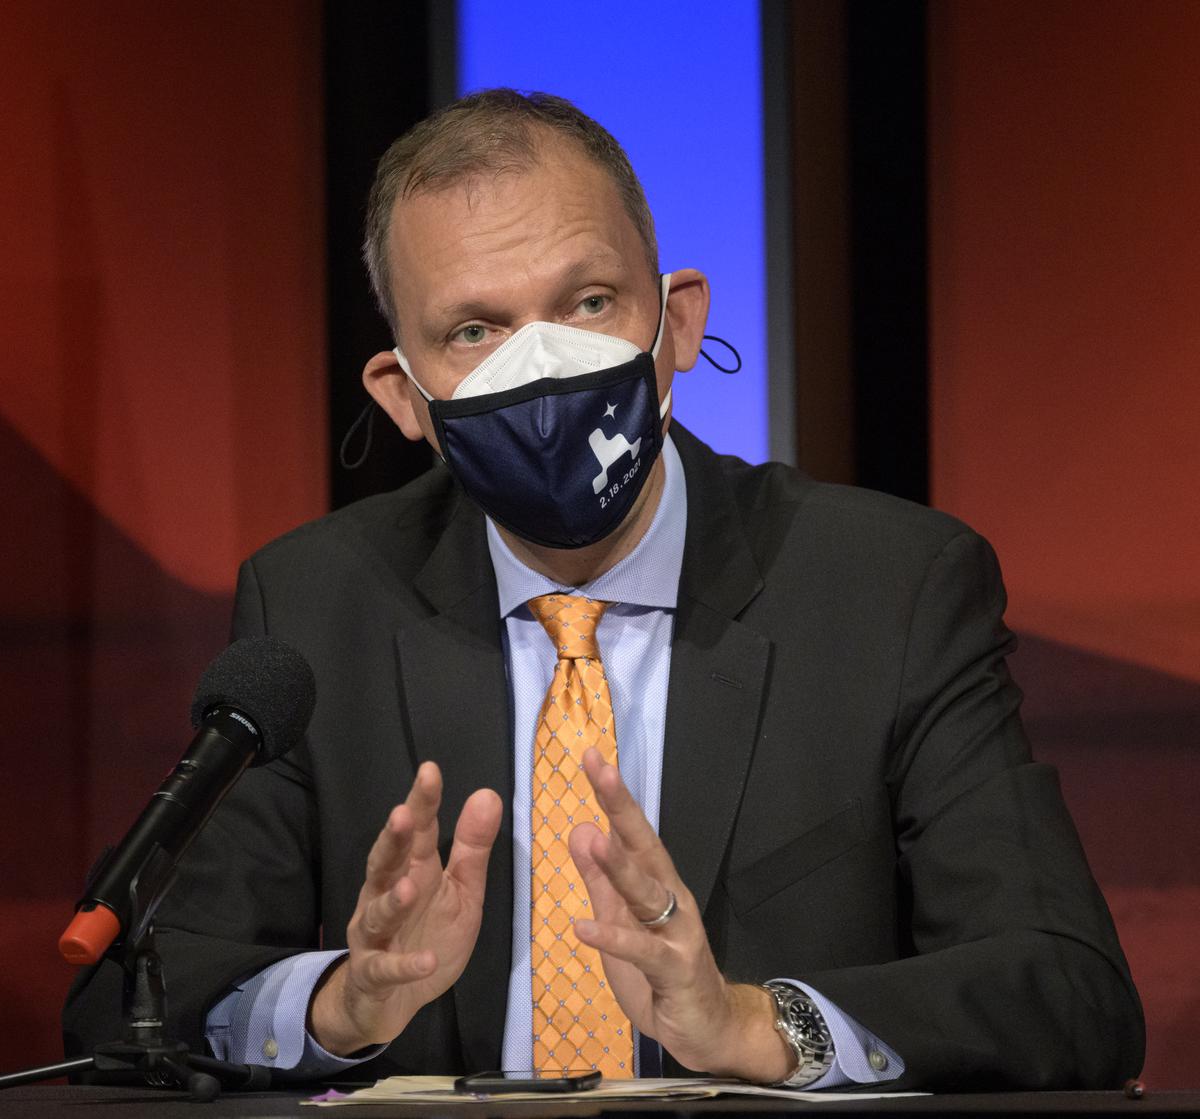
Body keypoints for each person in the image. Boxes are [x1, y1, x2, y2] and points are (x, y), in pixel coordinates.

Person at [64, 89, 1144, 1090]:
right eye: (474, 332)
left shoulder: (887, 590)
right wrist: (345, 1002)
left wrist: (749, 1028)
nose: (540, 372)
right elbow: (121, 1004)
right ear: (403, 396)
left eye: (585, 302)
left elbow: (1065, 993)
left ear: (673, 323)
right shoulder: (315, 606)